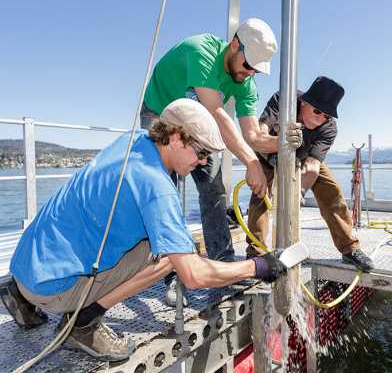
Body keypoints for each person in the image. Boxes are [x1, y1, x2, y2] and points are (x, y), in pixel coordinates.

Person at [2, 99, 287, 362]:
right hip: (53, 289)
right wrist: (257, 266)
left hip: (26, 267)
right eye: (200, 153)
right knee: (169, 256)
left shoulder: (133, 141)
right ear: (175, 137)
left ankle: (19, 295)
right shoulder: (157, 188)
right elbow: (194, 275)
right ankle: (82, 324)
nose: (202, 162)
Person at [141, 18, 278, 304]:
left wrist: (285, 143)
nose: (249, 73)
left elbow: (252, 134)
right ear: (235, 45)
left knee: (213, 188)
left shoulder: (244, 81)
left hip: (199, 124)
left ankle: (223, 265)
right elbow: (215, 112)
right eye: (248, 64)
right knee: (167, 192)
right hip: (161, 114)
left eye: (255, 69)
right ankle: (172, 273)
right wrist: (252, 163)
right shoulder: (200, 50)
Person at [246, 76, 375, 271]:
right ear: (304, 101)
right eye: (317, 111)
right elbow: (259, 133)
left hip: (303, 158)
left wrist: (300, 193)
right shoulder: (282, 100)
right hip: (267, 154)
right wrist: (275, 145)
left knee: (331, 191)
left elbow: (313, 166)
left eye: (327, 115)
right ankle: (256, 255)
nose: (321, 118)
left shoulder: (329, 128)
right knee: (259, 197)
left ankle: (349, 248)